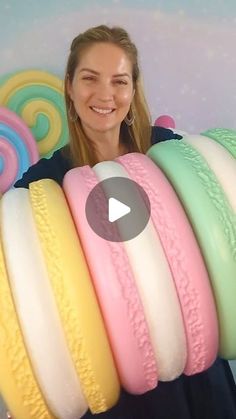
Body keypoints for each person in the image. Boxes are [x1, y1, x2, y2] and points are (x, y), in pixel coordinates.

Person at [14, 25, 236, 419]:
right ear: (69, 85)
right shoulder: (43, 184)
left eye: (119, 81)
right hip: (123, 389)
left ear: (133, 91)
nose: (104, 95)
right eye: (89, 79)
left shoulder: (168, 150)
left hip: (199, 371)